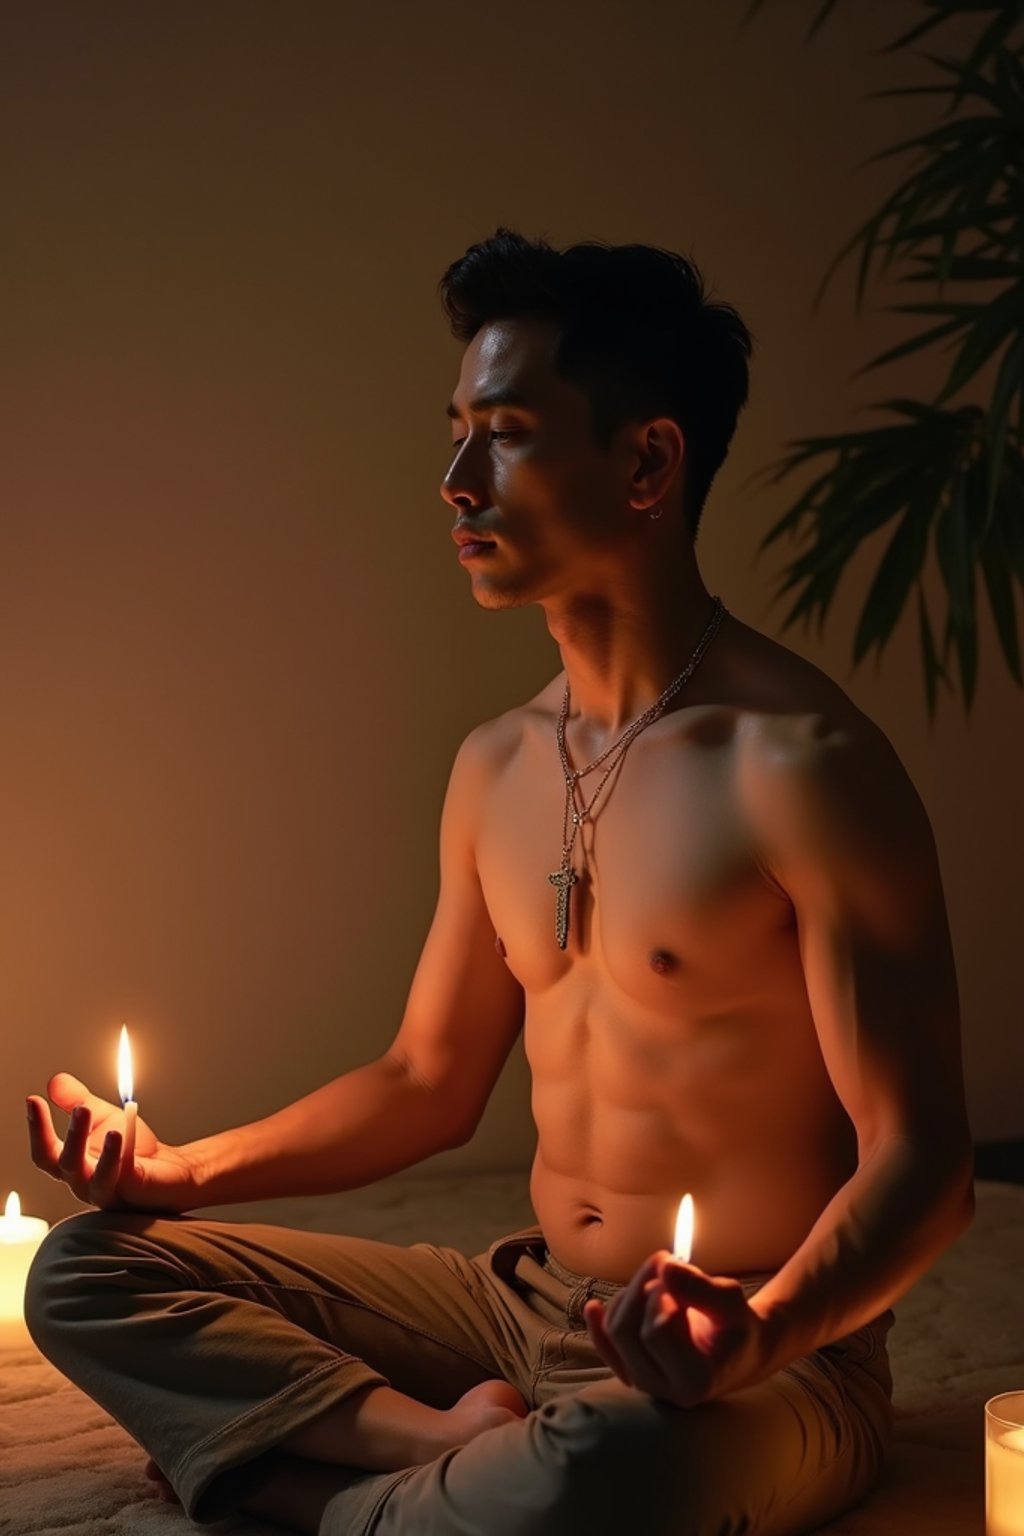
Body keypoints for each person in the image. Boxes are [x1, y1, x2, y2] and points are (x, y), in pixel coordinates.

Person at [24, 227, 974, 1536]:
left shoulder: (800, 766)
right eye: (458, 429)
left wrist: (752, 1335)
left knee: (607, 1470)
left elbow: (924, 1166)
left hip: (764, 1347)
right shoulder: (498, 764)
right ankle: (435, 1445)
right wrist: (179, 1175)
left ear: (647, 461)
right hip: (514, 1304)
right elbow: (428, 1082)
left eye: (509, 432)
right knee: (84, 1273)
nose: (456, 480)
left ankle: (298, 1496)